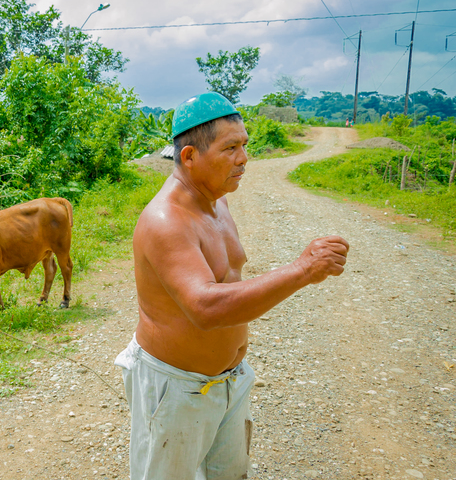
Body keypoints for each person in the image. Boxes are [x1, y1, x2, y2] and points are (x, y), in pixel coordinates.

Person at [115, 92, 349, 480]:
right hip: (176, 387)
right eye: (230, 148)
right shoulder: (165, 220)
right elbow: (206, 307)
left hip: (229, 381)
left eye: (244, 145)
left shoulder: (217, 201)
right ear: (189, 156)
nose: (244, 158)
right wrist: (303, 270)